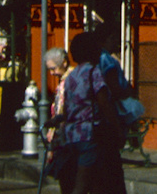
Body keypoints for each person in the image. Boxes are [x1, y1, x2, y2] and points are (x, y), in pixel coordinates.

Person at [48, 32, 125, 194]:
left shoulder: (70, 77)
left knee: (92, 180)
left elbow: (68, 109)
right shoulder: (93, 72)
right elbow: (104, 102)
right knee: (83, 184)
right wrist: (117, 128)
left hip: (71, 136)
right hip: (89, 135)